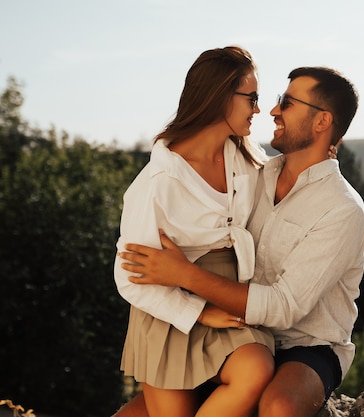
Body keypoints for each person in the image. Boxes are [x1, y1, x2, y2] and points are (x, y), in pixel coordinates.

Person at [119, 66, 364, 417]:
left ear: (322, 121)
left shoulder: (342, 210)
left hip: (305, 345)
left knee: (279, 407)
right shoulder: (253, 175)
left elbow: (283, 308)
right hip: (235, 331)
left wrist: (183, 275)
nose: (272, 110)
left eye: (287, 102)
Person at [112, 46, 276, 417]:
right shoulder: (158, 182)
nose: (258, 108)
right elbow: (128, 276)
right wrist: (198, 312)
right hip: (171, 310)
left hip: (229, 296)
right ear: (219, 97)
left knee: (255, 369)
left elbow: (280, 189)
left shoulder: (245, 154)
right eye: (251, 98)